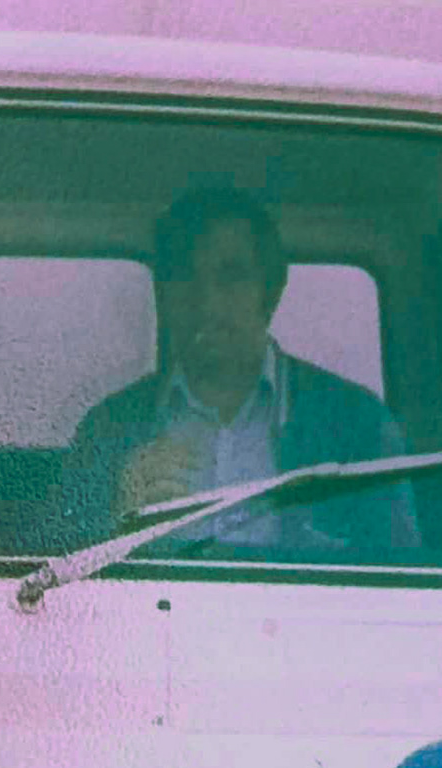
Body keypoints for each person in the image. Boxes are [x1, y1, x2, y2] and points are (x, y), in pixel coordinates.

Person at [53, 186, 418, 556]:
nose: (207, 301)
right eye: (184, 277)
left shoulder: (356, 424)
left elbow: (403, 580)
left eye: (231, 276)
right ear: (162, 292)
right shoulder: (110, 429)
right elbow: (53, 581)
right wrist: (116, 522)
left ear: (271, 291)